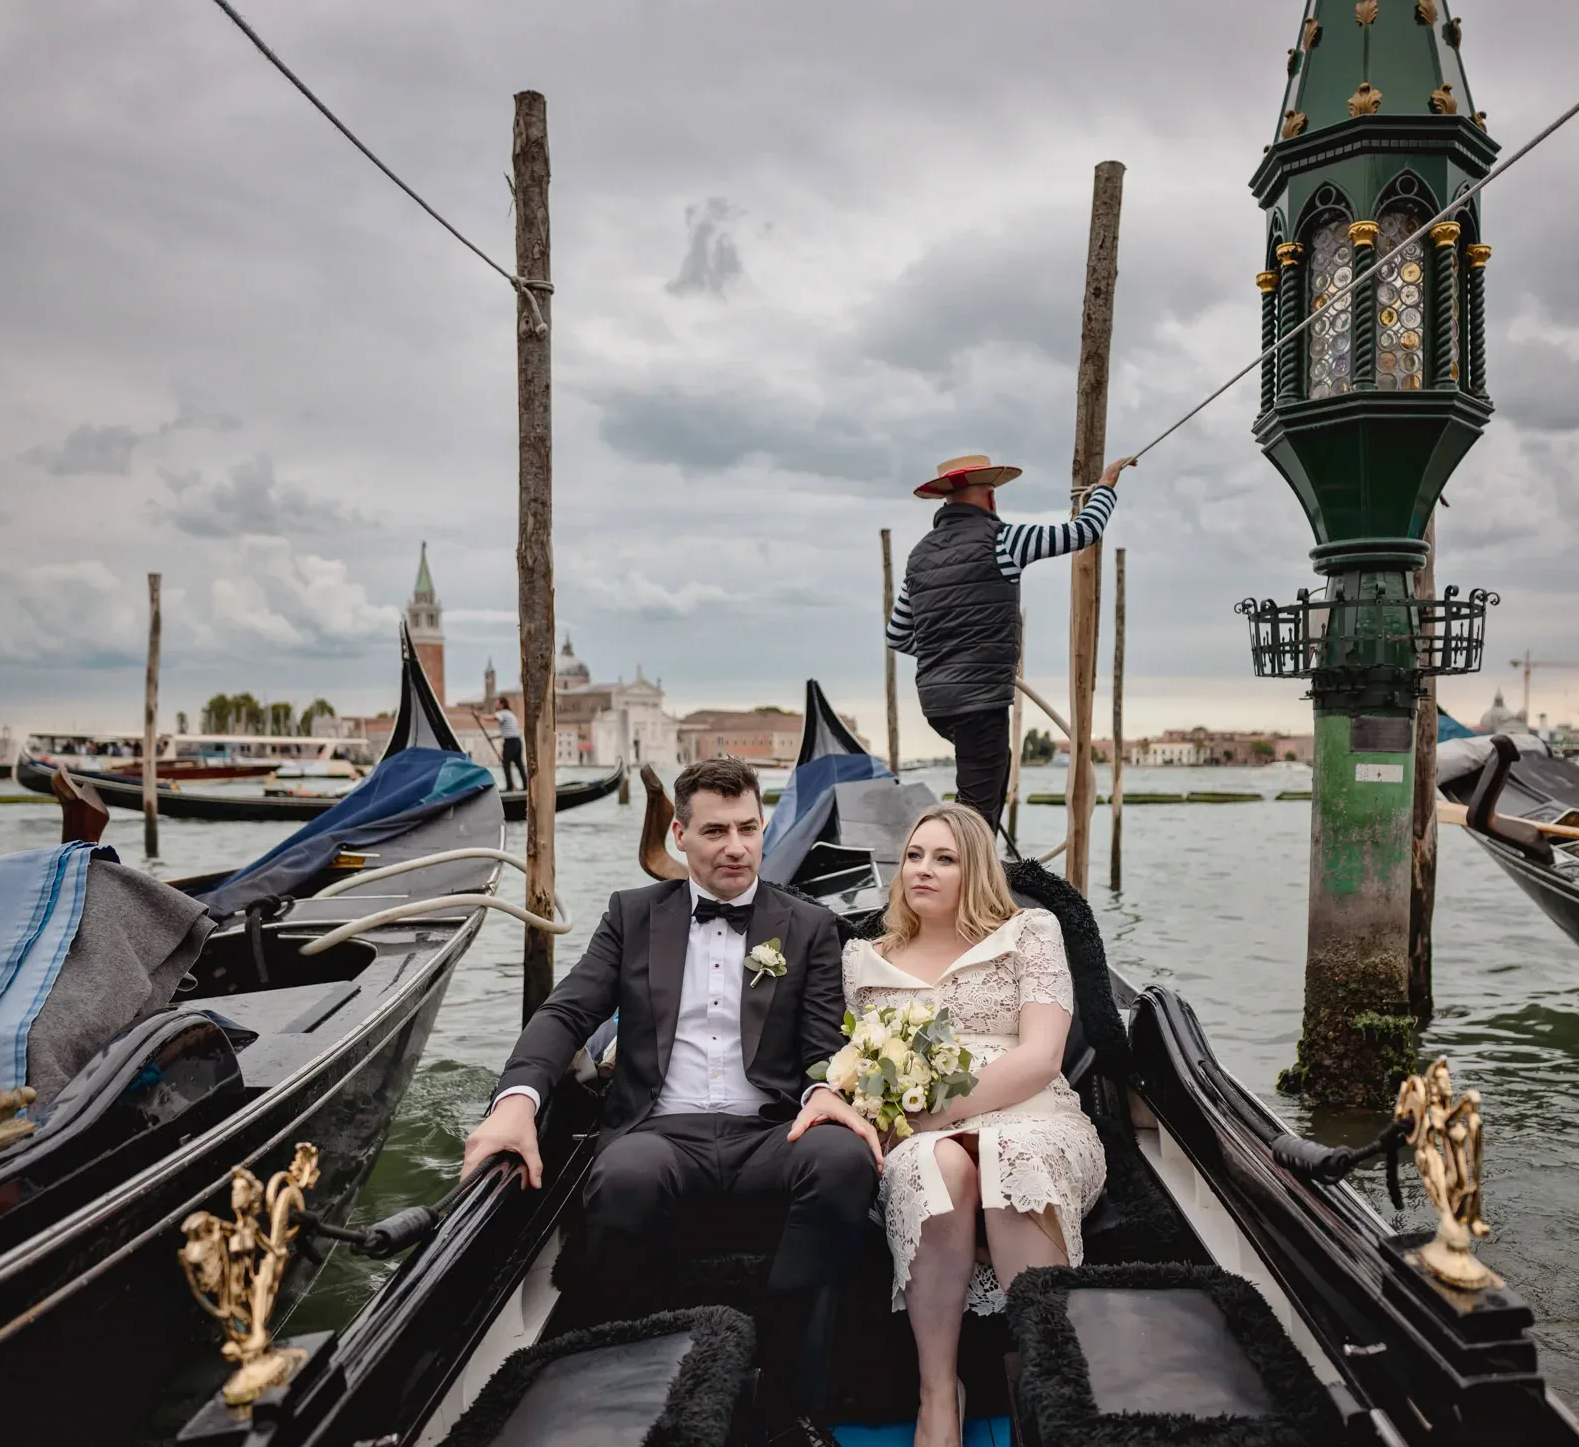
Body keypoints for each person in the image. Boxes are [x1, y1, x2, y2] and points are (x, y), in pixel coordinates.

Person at [461, 756, 882, 1444]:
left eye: (749, 827)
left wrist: (823, 1092)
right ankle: (647, 1382)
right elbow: (566, 1014)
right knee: (624, 1177)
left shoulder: (806, 925)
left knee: (843, 1161)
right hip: (662, 1131)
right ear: (680, 835)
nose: (738, 846)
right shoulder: (632, 916)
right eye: (716, 831)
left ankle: (789, 1389)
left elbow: (820, 1045)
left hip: (770, 1131)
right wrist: (516, 1101)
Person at [842, 802, 1105, 1446]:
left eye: (944, 858)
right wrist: (906, 1121)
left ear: (976, 870)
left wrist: (934, 1111)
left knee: (1010, 1157)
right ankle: (938, 1394)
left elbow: (1041, 1057)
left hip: (1035, 1117)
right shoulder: (862, 958)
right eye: (912, 856)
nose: (921, 870)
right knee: (939, 1164)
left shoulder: (1030, 932)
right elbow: (855, 1065)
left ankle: (1043, 1385)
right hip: (920, 1141)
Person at [887, 453, 1133, 836]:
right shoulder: (1003, 539)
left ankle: (976, 870)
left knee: (989, 779)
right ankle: (968, 881)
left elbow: (897, 635)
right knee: (977, 810)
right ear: (988, 497)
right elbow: (1083, 532)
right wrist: (1105, 486)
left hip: (937, 704)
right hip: (980, 699)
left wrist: (945, 654)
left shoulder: (919, 556)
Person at [495, 697, 525, 790]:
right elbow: (508, 732)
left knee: (506, 764)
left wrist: (480, 716)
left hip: (510, 742)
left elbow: (493, 717)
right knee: (519, 764)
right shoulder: (511, 714)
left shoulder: (502, 713)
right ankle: (526, 786)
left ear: (502, 704)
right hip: (517, 741)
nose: (496, 705)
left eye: (497, 703)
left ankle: (509, 786)